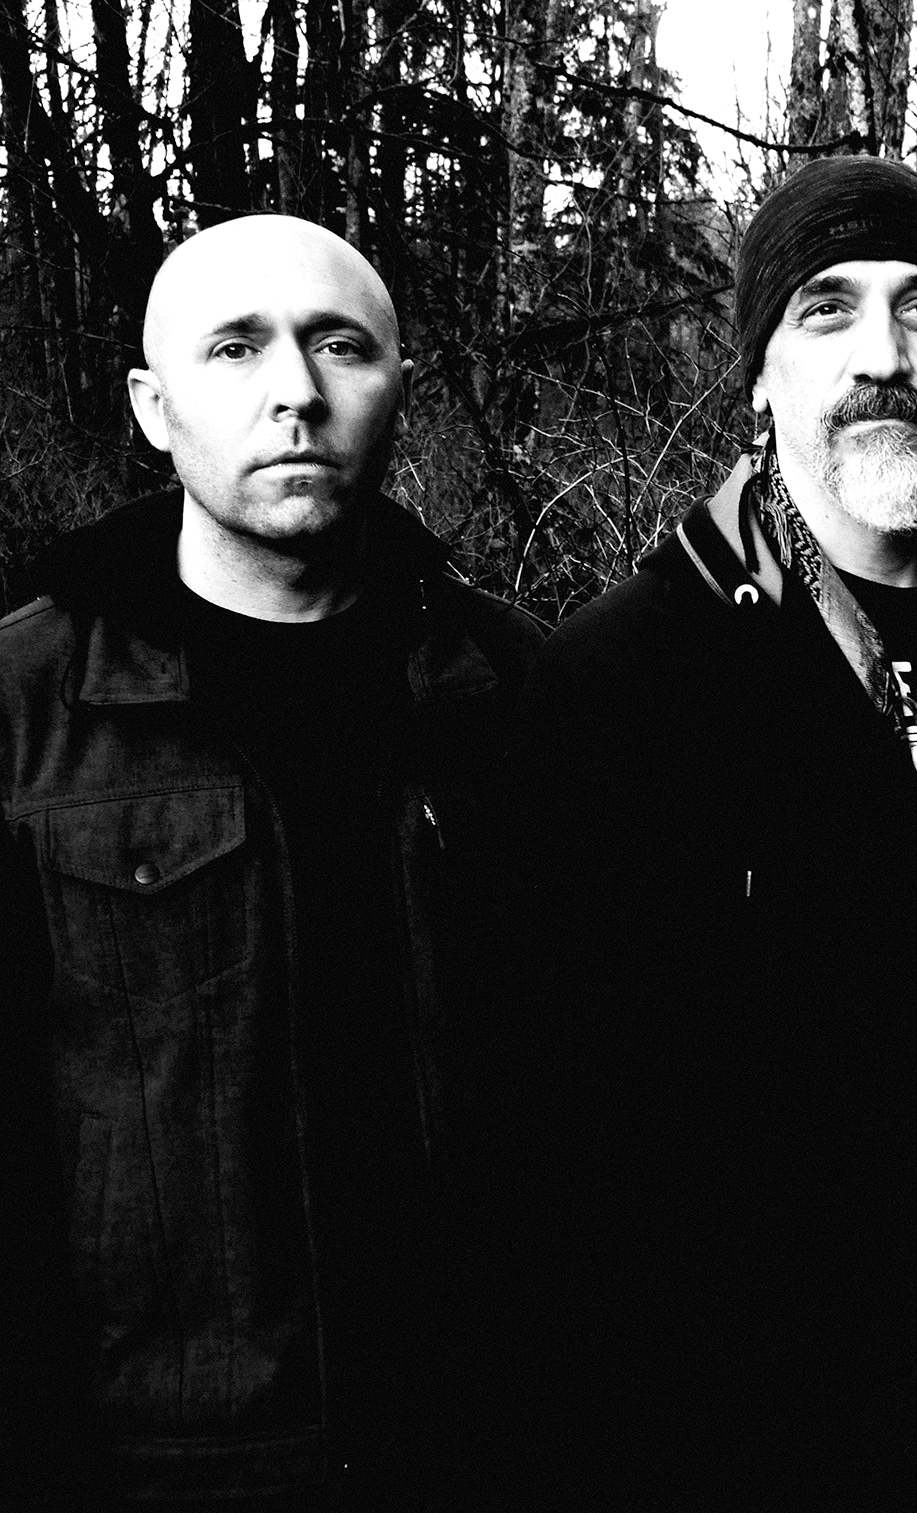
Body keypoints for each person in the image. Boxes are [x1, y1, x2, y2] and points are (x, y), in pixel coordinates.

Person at [498, 156, 917, 1505]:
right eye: (826, 310)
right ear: (758, 377)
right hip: (739, 1428)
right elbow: (556, 1150)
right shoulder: (621, 683)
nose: (880, 355)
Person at [0, 215, 544, 1507]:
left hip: (485, 1444)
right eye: (236, 347)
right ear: (152, 407)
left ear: (400, 385)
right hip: (166, 1461)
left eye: (339, 345)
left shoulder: (515, 687)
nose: (295, 390)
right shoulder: (25, 711)